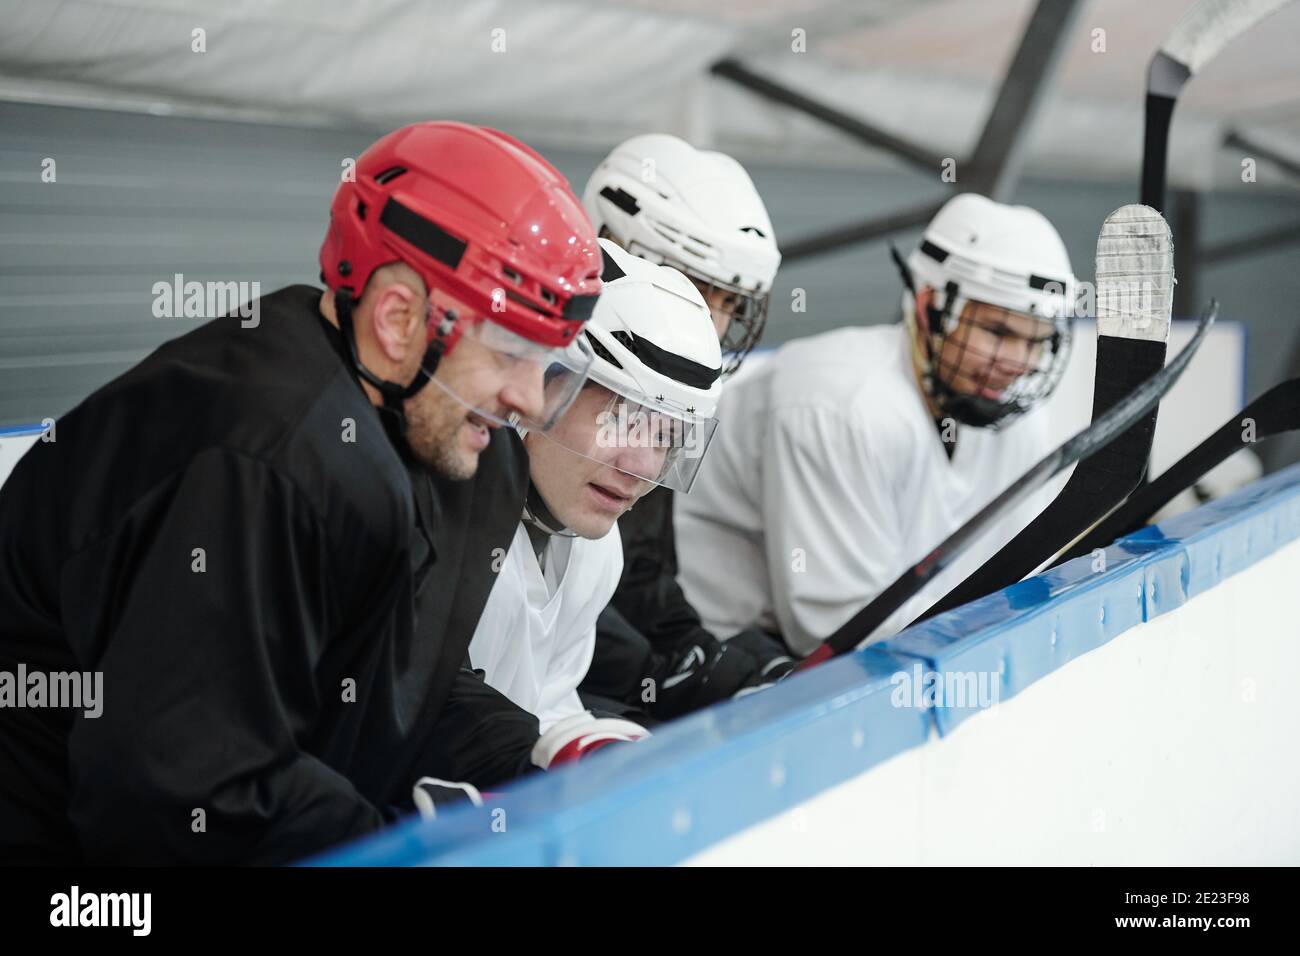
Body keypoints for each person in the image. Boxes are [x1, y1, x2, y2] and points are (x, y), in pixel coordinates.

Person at [0, 121, 630, 865]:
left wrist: (538, 751)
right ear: (399, 320)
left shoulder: (428, 429)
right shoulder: (266, 454)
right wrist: (400, 841)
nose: (530, 401)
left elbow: (390, 681)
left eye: (549, 361)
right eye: (511, 352)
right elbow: (181, 789)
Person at [675, 192, 1077, 656]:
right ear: (930, 307)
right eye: (998, 332)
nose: (1018, 362)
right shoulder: (836, 405)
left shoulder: (1017, 421)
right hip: (722, 654)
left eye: (1036, 341)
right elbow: (836, 627)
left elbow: (1018, 578)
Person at [577, 135, 793, 721]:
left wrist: (700, 657)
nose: (714, 324)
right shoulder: (539, 386)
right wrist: (669, 675)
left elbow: (645, 574)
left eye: (729, 301)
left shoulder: (680, 400)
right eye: (694, 288)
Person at [468, 240, 723, 729]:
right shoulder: (443, 534)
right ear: (545, 381)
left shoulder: (597, 553)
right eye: (622, 421)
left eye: (668, 437)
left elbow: (549, 709)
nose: (643, 467)